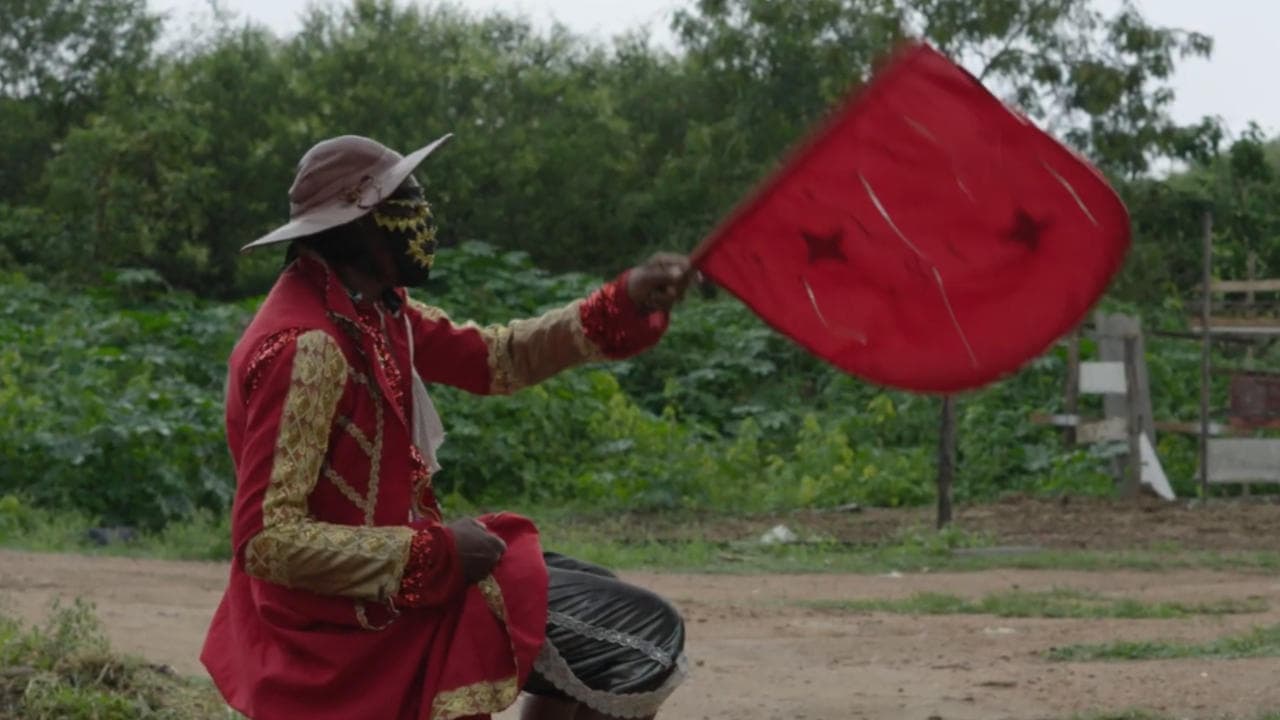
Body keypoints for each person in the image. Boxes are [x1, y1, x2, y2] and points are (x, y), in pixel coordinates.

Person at [201, 134, 693, 720]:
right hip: (349, 620)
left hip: (393, 580)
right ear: (359, 223)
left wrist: (625, 301)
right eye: (407, 201)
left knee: (604, 595)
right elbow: (267, 541)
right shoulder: (308, 345)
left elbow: (497, 358)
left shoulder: (371, 309)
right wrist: (431, 552)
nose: (425, 215)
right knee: (642, 633)